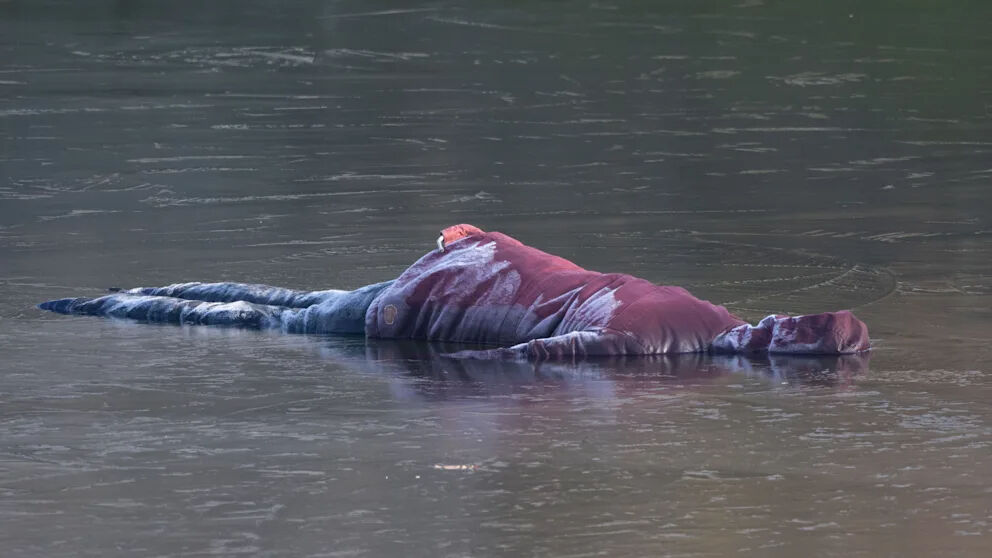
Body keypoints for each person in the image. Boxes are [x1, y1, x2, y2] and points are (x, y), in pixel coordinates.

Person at [38, 224, 870, 359]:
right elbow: (540, 354)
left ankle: (128, 293)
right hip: (439, 301)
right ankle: (111, 304)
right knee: (275, 320)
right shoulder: (663, 343)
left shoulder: (709, 318)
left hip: (471, 267)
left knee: (292, 302)